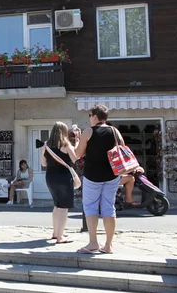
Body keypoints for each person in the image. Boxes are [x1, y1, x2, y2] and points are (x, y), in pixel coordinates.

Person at [74, 104, 123, 254]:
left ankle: (93, 242)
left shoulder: (88, 132)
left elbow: (77, 154)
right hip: (112, 175)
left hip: (93, 176)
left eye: (90, 116)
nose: (89, 119)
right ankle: (108, 245)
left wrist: (78, 139)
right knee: (109, 208)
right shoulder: (115, 131)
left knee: (91, 207)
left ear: (95, 116)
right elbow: (123, 150)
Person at [41, 122, 78, 243]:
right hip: (63, 178)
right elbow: (75, 157)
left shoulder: (45, 145)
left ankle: (56, 232)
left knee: (57, 205)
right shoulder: (66, 144)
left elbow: (44, 164)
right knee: (63, 208)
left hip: (50, 177)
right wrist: (77, 141)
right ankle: (60, 237)